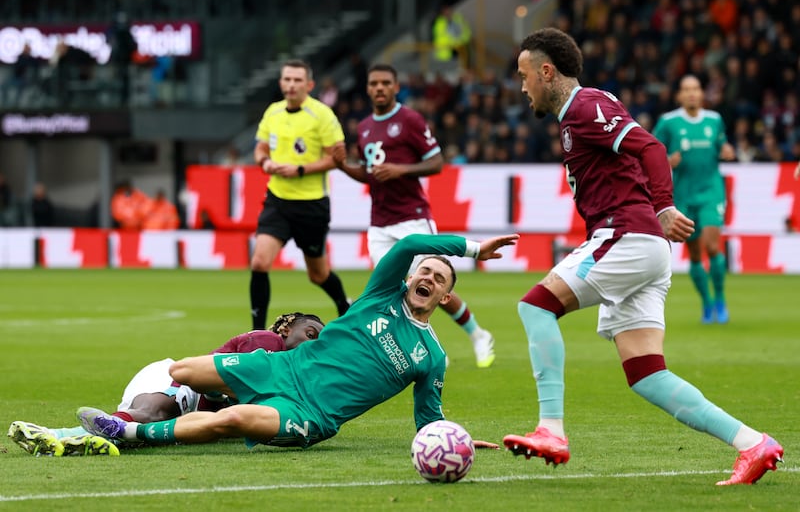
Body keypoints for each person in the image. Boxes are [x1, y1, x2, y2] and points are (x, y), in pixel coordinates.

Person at [501, 28, 783, 486]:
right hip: (643, 246)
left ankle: (551, 430)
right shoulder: (578, 115)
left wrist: (664, 205)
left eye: (524, 75)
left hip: (626, 236)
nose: (522, 85)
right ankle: (753, 443)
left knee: (535, 306)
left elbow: (650, 147)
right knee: (647, 374)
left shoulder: (586, 106)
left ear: (546, 71)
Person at [76, 233, 518, 450]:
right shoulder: (381, 294)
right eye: (425, 271)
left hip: (311, 413)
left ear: (444, 297)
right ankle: (209, 404)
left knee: (237, 419)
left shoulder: (433, 357)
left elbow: (427, 419)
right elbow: (411, 243)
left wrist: (452, 440)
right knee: (183, 371)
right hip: (282, 367)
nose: (429, 277)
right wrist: (473, 249)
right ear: (409, 278)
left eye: (439, 279)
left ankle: (129, 431)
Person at [336, 63, 496, 368]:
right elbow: (371, 175)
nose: (379, 88)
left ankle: (478, 334)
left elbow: (436, 162)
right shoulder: (365, 126)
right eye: (374, 83)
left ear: (396, 87)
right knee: (394, 289)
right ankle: (423, 350)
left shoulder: (409, 120)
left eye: (385, 83)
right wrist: (344, 166)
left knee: (432, 284)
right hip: (379, 223)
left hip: (412, 217)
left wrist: (402, 169)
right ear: (368, 88)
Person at [8, 312, 324, 457]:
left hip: (188, 405)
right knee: (150, 417)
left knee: (138, 437)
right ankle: (58, 434)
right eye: (310, 333)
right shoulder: (266, 344)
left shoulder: (283, 377)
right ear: (285, 327)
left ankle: (62, 441)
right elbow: (220, 385)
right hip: (176, 384)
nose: (311, 345)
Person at [249, 59, 351, 330]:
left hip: (311, 205)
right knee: (259, 261)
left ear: (309, 85)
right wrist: (266, 162)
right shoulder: (273, 112)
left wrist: (301, 169)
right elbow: (260, 148)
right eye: (287, 79)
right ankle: (256, 332)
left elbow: (337, 157)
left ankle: (344, 306)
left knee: (318, 275)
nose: (291, 85)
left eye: (297, 80)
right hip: (277, 200)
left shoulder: (322, 115)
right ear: (281, 82)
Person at [653, 74, 735, 324]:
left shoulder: (714, 120)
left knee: (712, 246)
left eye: (696, 89)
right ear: (679, 95)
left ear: (702, 94)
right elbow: (650, 154)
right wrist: (667, 162)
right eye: (686, 89)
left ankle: (720, 299)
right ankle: (707, 303)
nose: (691, 93)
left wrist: (726, 150)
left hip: (711, 191)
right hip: (683, 195)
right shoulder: (668, 122)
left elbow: (722, 145)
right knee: (696, 254)